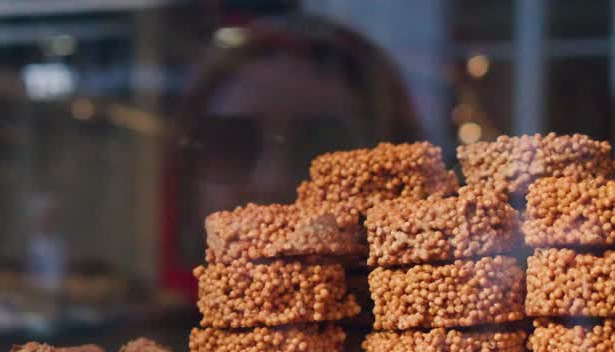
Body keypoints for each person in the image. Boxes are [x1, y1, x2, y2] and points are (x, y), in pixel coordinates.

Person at [162, 13, 425, 294]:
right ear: (186, 182)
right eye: (232, 146)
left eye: (322, 150)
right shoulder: (144, 332)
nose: (271, 183)